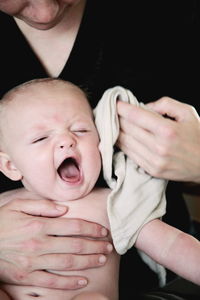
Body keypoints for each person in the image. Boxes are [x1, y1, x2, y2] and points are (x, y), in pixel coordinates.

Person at [0, 0, 200, 298]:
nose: (66, 141)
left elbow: (173, 246)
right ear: (10, 166)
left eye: (81, 130)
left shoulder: (116, 203)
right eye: (41, 139)